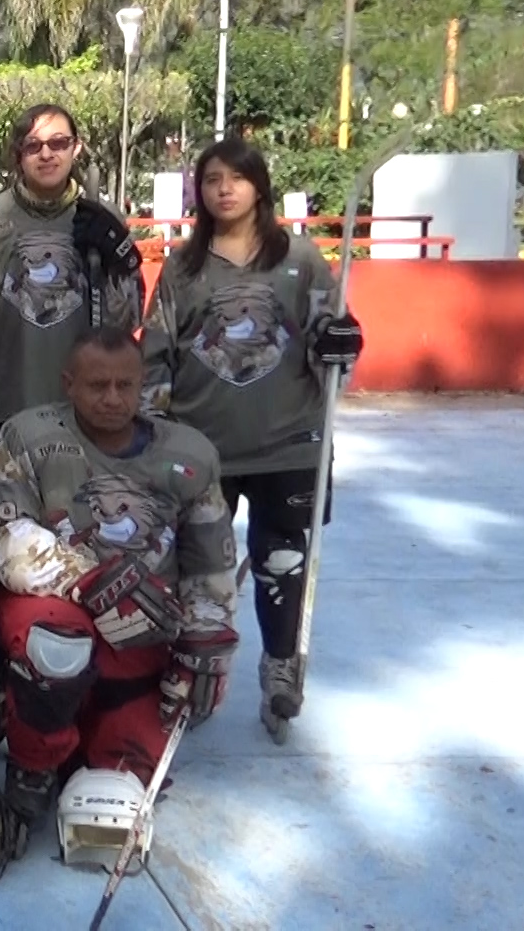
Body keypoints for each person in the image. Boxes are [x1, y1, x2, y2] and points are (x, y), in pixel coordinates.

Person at [140, 137, 361, 738]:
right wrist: (151, 435)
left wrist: (344, 344)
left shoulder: (301, 260)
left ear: (258, 186)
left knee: (281, 562)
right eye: (212, 179)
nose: (224, 189)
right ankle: (190, 672)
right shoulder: (184, 270)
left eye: (236, 178)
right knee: (194, 570)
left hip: (289, 443)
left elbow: (332, 341)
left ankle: (281, 672)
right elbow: (156, 355)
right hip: (200, 446)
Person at [0, 327, 237, 833]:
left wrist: (206, 638)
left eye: (125, 385)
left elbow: (210, 563)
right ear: (68, 383)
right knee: (56, 646)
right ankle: (33, 762)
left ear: (143, 386)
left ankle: (37, 706)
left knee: (120, 783)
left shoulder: (190, 454)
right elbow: (2, 531)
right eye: (97, 386)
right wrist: (87, 576)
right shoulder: (27, 436)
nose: (114, 399)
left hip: (144, 624)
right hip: (56, 606)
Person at [0, 104, 145, 461]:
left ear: (76, 148)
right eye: (33, 145)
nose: (47, 154)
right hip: (7, 407)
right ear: (17, 154)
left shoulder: (102, 217)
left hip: (86, 411)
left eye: (58, 142)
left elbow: (127, 320)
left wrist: (119, 263)